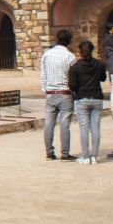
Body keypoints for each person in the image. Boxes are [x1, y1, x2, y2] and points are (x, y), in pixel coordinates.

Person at [40, 29, 76, 161]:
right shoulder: (70, 57)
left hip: (50, 92)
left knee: (49, 123)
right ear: (69, 41)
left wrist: (46, 89)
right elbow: (72, 78)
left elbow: (43, 75)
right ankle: (65, 153)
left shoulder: (47, 55)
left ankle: (49, 152)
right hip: (65, 92)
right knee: (64, 124)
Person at [68, 40, 106, 165]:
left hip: (82, 98)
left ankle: (85, 156)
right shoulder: (99, 64)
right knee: (95, 128)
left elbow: (72, 85)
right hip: (96, 97)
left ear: (80, 52)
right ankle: (94, 156)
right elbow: (103, 78)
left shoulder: (75, 67)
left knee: (84, 128)